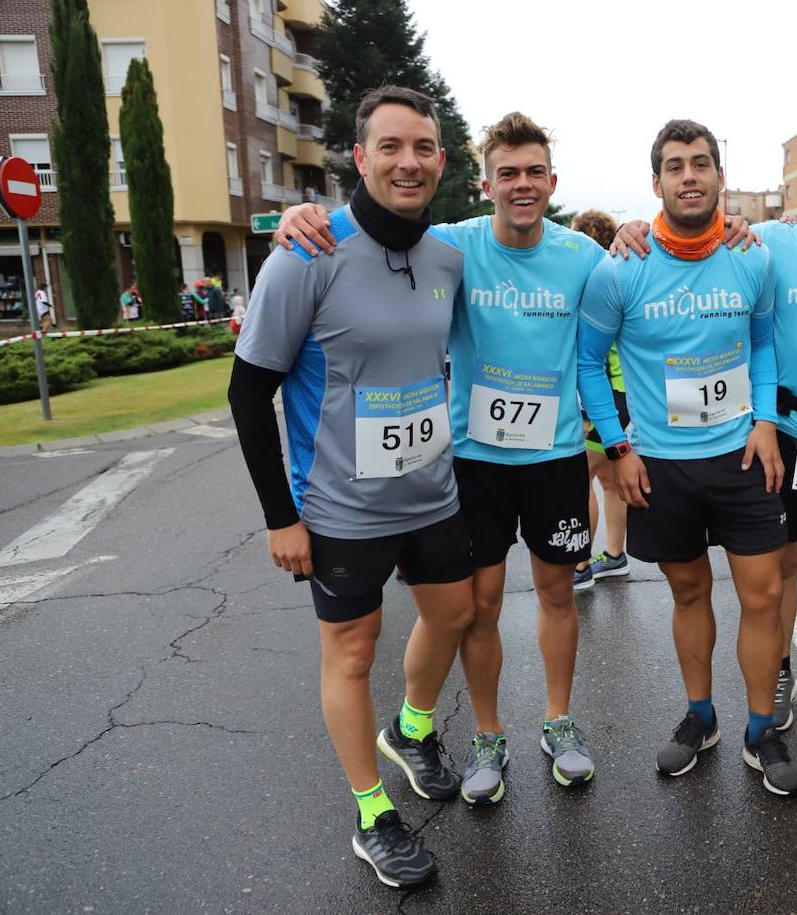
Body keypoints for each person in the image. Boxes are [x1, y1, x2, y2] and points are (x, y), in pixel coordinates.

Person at [275, 112, 605, 805]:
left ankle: (559, 720)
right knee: (478, 607)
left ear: (553, 180)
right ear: (484, 182)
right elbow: (370, 227)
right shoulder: (450, 245)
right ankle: (487, 732)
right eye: (507, 173)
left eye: (534, 172)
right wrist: (302, 213)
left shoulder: (585, 257)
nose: (522, 185)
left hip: (555, 460)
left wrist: (652, 231)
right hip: (473, 466)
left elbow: (615, 325)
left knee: (557, 594)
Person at [227, 86, 476, 888]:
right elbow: (246, 391)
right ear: (359, 157)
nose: (409, 161)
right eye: (391, 146)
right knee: (353, 650)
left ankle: (410, 730)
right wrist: (281, 516)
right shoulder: (306, 252)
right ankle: (373, 813)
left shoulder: (446, 256)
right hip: (339, 507)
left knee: (454, 613)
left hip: (432, 495)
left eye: (424, 148)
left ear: (440, 160)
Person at [610, 116, 797, 740]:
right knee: (783, 569)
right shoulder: (762, 240)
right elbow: (699, 235)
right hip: (790, 431)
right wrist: (628, 226)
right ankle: (777, 674)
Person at [577, 119, 797, 796]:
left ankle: (762, 727)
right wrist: (618, 447)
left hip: (741, 456)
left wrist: (765, 420)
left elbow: (763, 345)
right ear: (656, 182)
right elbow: (589, 363)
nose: (689, 176)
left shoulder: (752, 256)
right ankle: (700, 715)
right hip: (662, 465)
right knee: (689, 590)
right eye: (675, 166)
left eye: (701, 163)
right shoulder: (620, 266)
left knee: (763, 594)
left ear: (719, 176)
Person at [570, 208, 632, 591]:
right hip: (623, 392)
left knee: (582, 478)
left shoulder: (591, 281)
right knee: (609, 481)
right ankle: (614, 555)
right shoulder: (619, 272)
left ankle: (579, 566)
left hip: (605, 394)